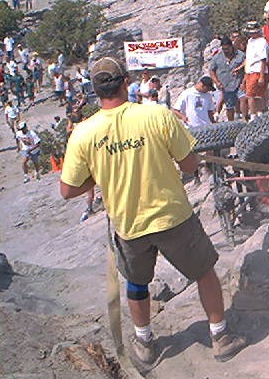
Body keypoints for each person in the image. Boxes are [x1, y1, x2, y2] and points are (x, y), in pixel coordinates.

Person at [60, 57, 247, 365]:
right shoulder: (156, 114)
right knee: (204, 272)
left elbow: (67, 190)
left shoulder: (83, 133)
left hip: (129, 224)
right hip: (173, 216)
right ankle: (220, 336)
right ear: (126, 82)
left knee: (137, 284)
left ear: (94, 90)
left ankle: (145, 342)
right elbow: (190, 164)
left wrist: (100, 174)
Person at [209, 37, 245, 121]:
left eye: (227, 48)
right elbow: (211, 71)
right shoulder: (217, 57)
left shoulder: (240, 55)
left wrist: (244, 81)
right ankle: (231, 123)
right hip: (226, 86)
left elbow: (246, 65)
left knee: (243, 99)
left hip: (239, 83)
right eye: (224, 49)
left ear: (231, 46)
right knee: (229, 107)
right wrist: (217, 82)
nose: (226, 51)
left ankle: (245, 118)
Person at [242, 21, 269, 118]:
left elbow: (263, 59)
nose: (251, 34)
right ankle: (258, 113)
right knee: (255, 95)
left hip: (257, 70)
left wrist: (261, 76)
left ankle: (254, 115)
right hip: (250, 71)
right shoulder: (250, 41)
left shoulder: (262, 42)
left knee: (251, 95)